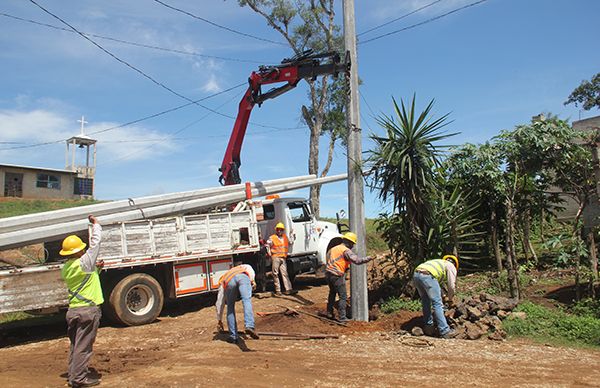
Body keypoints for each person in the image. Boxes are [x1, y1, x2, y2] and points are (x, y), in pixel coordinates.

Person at [60, 215, 104, 388]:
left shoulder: (67, 267)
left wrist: (96, 269)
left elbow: (85, 280)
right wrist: (96, 225)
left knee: (76, 345)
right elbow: (95, 244)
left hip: (73, 311)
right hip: (88, 311)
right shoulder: (84, 263)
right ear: (78, 251)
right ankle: (79, 379)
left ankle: (73, 375)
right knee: (83, 347)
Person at [325, 232, 373, 322]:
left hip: (328, 274)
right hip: (337, 275)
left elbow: (328, 259)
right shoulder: (346, 250)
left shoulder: (333, 249)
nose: (352, 246)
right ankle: (342, 317)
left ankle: (329, 312)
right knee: (343, 296)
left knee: (332, 293)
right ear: (349, 242)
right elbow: (357, 261)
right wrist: (368, 258)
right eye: (352, 244)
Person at [413, 255, 459, 339]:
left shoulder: (438, 263)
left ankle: (428, 328)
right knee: (437, 304)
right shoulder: (451, 266)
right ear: (455, 264)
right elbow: (451, 286)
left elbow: (436, 285)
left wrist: (444, 296)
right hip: (428, 276)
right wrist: (450, 299)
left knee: (425, 301)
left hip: (416, 274)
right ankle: (445, 331)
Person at [215, 264, 260, 344]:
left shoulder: (223, 278)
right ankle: (249, 325)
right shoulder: (244, 267)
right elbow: (251, 272)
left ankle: (233, 337)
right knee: (246, 300)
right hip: (243, 277)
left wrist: (219, 319)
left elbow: (220, 303)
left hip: (230, 281)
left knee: (230, 307)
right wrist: (253, 281)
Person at [266, 222, 296, 296]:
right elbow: (267, 245)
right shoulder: (272, 237)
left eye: (281, 230)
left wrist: (292, 235)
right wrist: (269, 253)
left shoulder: (285, 237)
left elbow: (291, 242)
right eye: (278, 230)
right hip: (275, 257)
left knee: (284, 274)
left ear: (283, 230)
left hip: (283, 258)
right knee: (275, 274)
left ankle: (288, 289)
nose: (279, 231)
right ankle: (278, 290)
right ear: (276, 230)